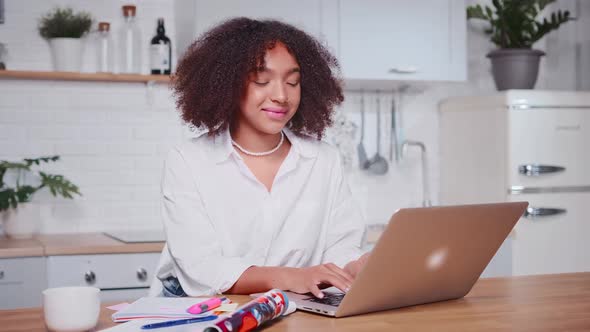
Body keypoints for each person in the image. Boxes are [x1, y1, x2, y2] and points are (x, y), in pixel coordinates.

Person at [150, 17, 369, 299]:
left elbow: (341, 245)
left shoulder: (323, 160)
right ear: (227, 83)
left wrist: (356, 265)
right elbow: (203, 269)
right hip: (197, 307)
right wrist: (295, 277)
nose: (281, 95)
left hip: (290, 307)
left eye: (293, 82)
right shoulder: (188, 160)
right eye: (261, 80)